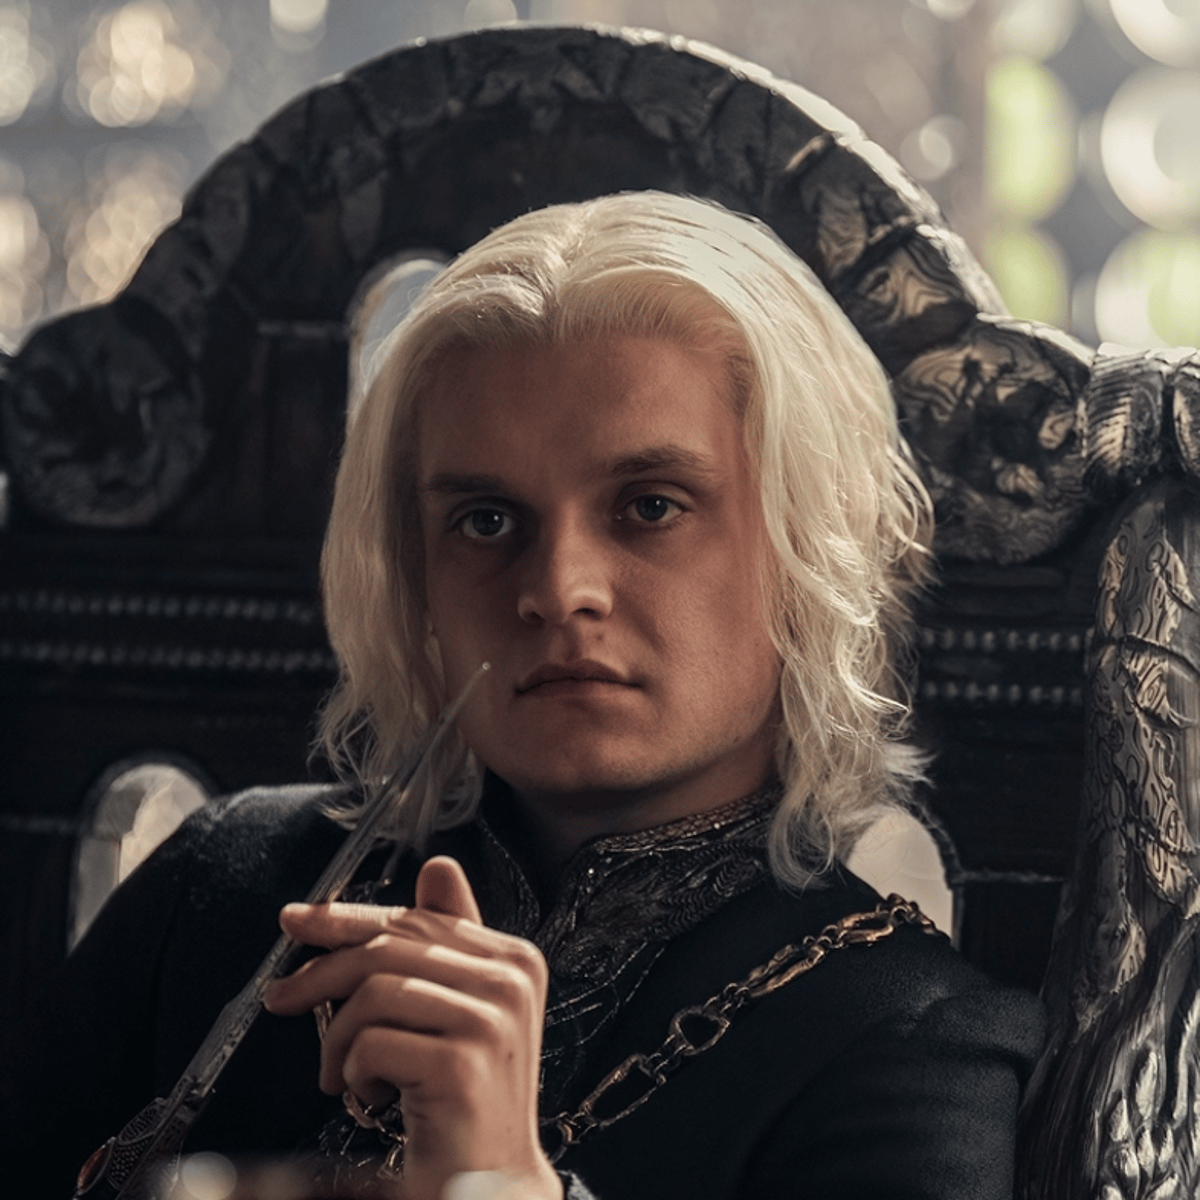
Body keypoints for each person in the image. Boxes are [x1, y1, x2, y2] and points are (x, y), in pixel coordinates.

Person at [1, 192, 1043, 1200]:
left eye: (650, 506)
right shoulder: (218, 894)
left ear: (810, 551)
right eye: (487, 521)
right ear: (416, 575)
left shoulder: (909, 1046)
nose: (556, 589)